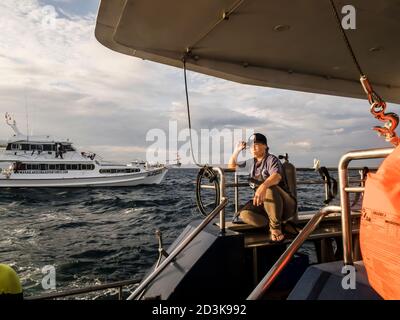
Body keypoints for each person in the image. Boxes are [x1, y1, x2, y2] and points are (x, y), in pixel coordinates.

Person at [228, 133, 296, 242]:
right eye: (251, 145)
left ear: (265, 146)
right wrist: (237, 150)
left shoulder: (271, 159)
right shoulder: (251, 163)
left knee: (269, 187)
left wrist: (263, 186)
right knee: (244, 214)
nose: (253, 147)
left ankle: (276, 228)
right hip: (266, 206)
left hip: (285, 205)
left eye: (257, 144)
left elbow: (277, 176)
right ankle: (278, 225)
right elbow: (231, 166)